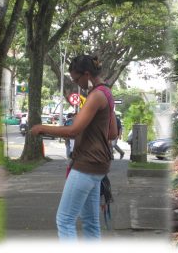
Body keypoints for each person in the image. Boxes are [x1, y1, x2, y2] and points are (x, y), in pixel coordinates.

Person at [31, 55, 118, 240]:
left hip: (86, 165)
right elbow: (112, 133)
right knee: (91, 223)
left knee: (64, 220)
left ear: (87, 74)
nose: (77, 84)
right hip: (100, 166)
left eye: (77, 79)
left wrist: (41, 128)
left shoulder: (95, 96)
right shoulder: (107, 93)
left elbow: (73, 130)